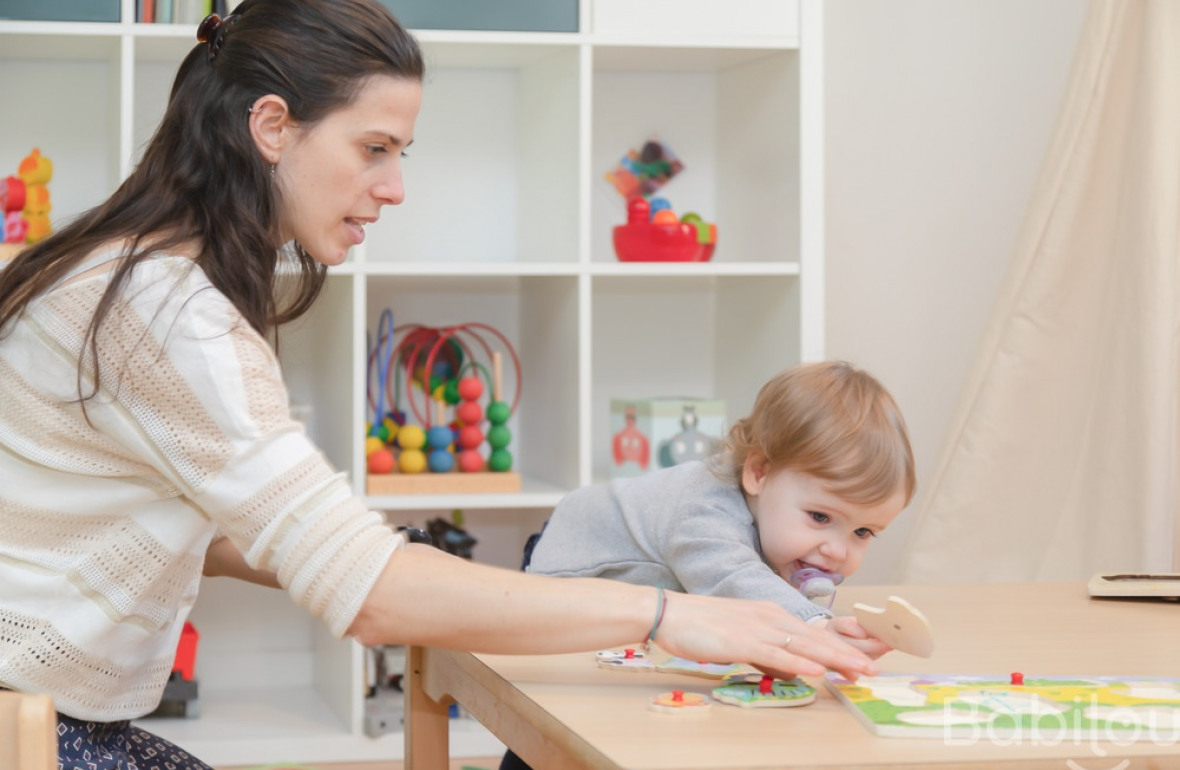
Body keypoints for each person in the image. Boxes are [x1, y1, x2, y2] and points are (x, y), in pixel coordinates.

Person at [0, 1, 877, 768]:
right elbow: (373, 601)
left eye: (402, 153)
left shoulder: (138, 272)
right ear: (271, 126)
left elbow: (187, 524)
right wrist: (664, 617)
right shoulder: (167, 314)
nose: (395, 188)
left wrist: (404, 565)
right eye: (374, 148)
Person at [526, 360, 917, 650]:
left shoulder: (777, 515)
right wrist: (814, 625)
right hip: (570, 567)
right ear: (759, 473)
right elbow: (731, 578)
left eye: (862, 532)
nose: (838, 550)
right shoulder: (703, 509)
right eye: (820, 517)